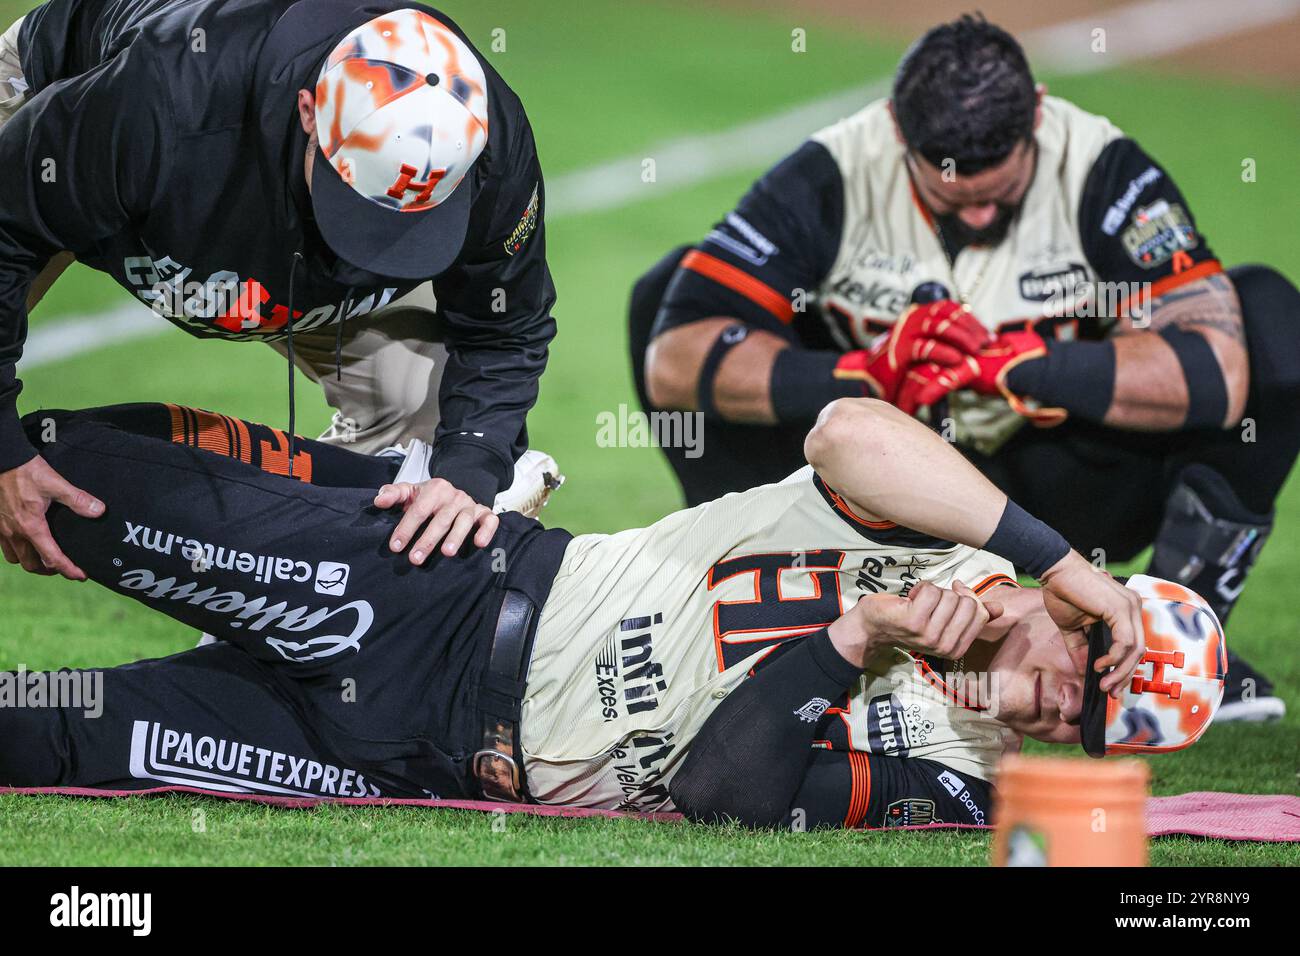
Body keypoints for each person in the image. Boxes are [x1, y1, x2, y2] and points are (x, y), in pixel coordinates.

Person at [1, 396, 1220, 830]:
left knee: (43, 727)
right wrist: (1045, 551)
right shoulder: (947, 525)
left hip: (402, 758)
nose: (1071, 711)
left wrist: (856, 642)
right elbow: (844, 430)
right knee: (64, 478)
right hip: (440, 595)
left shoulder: (955, 778)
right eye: (1093, 670)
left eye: (1099, 733)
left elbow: (723, 797)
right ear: (1087, 607)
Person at [629, 14, 1294, 721]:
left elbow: (1217, 369)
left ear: (1036, 116)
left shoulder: (1102, 168)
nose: (977, 217)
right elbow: (674, 358)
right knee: (665, 295)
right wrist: (863, 376)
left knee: (1272, 320)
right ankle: (763, 594)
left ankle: (1159, 640)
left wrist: (1034, 365)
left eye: (997, 197)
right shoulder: (834, 171)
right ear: (897, 131)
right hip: (886, 494)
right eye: (951, 198)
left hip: (1062, 488)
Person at [0, 0, 561, 592]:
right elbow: (9, 226)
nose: (369, 249)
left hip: (247, 220)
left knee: (423, 411)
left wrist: (467, 472)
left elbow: (505, 328)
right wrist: (7, 454)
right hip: (65, 127)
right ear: (309, 113)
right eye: (358, 207)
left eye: (405, 227)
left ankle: (293, 619)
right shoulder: (162, 102)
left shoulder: (488, 146)